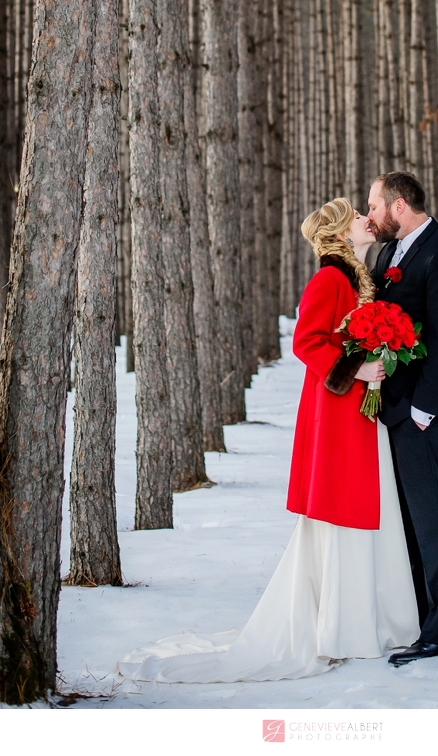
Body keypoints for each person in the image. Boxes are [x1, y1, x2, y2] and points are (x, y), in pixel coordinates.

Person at [117, 198, 418, 685]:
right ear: (341, 234)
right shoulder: (329, 279)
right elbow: (306, 341)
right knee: (346, 504)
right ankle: (343, 626)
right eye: (358, 216)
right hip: (337, 411)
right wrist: (356, 369)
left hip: (358, 411)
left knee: (366, 503)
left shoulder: (358, 278)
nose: (368, 218)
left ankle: (368, 619)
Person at [367, 171, 438, 667]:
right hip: (394, 411)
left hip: (426, 413)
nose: (370, 216)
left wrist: (423, 411)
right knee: (410, 521)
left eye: (374, 206)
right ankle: (420, 620)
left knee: (436, 520)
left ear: (399, 205)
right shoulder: (388, 253)